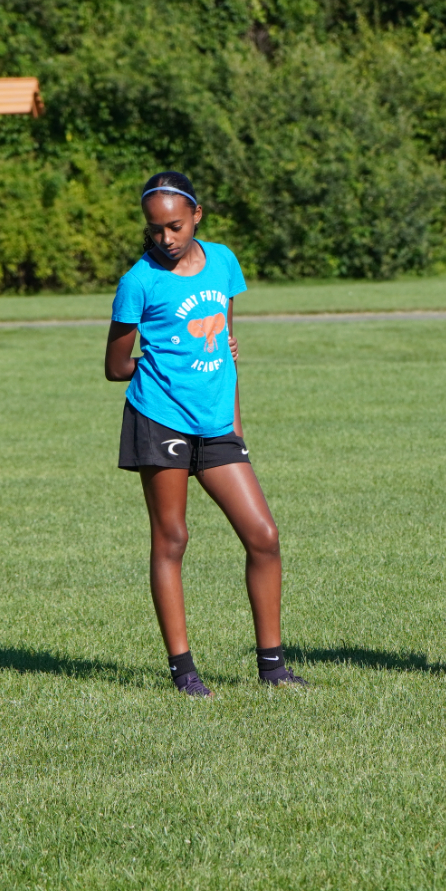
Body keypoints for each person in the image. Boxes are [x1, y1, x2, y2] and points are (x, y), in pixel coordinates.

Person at [105, 172, 305, 696]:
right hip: (159, 418)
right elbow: (115, 365)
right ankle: (184, 670)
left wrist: (236, 424)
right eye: (154, 230)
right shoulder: (139, 281)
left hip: (217, 425)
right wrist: (158, 362)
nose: (164, 239)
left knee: (263, 536)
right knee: (173, 539)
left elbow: (226, 345)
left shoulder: (223, 261)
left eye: (174, 226)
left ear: (197, 217)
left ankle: (273, 666)